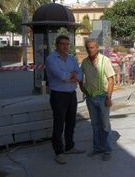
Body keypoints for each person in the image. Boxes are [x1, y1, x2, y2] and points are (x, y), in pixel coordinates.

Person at [45, 35, 85, 165]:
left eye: (67, 44)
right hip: (58, 95)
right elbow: (61, 76)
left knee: (71, 122)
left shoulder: (72, 59)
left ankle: (69, 146)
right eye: (62, 44)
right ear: (57, 45)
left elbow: (79, 74)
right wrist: (71, 75)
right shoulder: (51, 59)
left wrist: (72, 76)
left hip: (71, 94)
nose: (65, 46)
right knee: (59, 123)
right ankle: (59, 152)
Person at [79, 38, 115, 161]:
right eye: (88, 48)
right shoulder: (84, 62)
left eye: (92, 47)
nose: (90, 50)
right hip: (91, 98)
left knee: (105, 125)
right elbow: (80, 77)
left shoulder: (105, 60)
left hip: (103, 97)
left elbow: (111, 79)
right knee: (95, 125)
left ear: (97, 47)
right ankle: (97, 148)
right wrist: (82, 88)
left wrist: (109, 97)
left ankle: (107, 150)